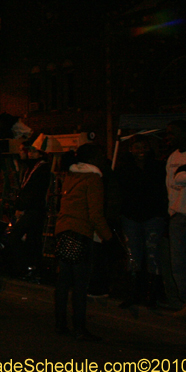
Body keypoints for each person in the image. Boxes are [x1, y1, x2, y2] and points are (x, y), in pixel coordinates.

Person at [53, 144, 113, 341]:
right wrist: (109, 237)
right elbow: (95, 215)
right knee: (80, 284)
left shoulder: (71, 176)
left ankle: (60, 324)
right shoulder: (93, 179)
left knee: (63, 282)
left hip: (63, 230)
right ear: (94, 159)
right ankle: (79, 328)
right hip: (80, 232)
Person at [115, 136, 168, 308]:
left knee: (153, 255)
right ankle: (133, 294)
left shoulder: (158, 167)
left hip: (153, 216)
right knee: (133, 256)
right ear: (131, 150)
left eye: (144, 147)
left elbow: (163, 191)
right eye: (137, 147)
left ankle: (152, 295)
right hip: (130, 216)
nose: (141, 151)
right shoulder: (124, 169)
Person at [163, 120, 186, 319]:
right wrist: (171, 210)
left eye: (172, 133)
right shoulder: (172, 157)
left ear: (185, 133)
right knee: (179, 263)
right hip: (177, 215)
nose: (169, 137)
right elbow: (170, 185)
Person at [6, 138, 51, 281]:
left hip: (34, 209)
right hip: (31, 208)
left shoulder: (41, 169)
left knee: (18, 237)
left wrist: (21, 206)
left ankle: (26, 267)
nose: (29, 154)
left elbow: (33, 191)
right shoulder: (30, 168)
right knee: (32, 240)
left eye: (33, 151)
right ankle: (31, 268)